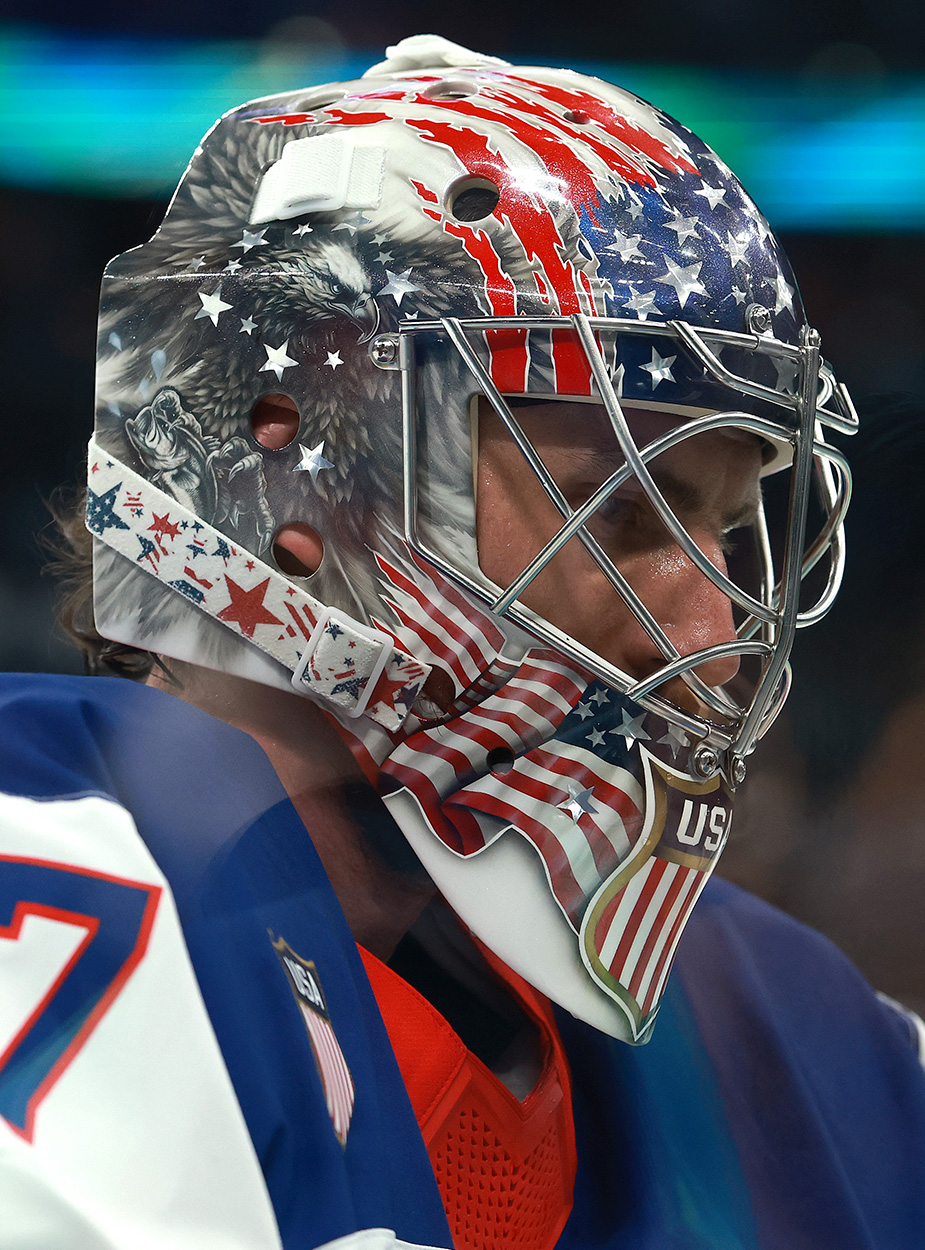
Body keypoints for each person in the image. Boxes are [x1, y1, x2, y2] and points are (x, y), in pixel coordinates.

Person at [2, 33, 924, 1250]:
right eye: (633, 509)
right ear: (292, 485)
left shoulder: (821, 1051)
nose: (714, 629)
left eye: (728, 531)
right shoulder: (66, 893)